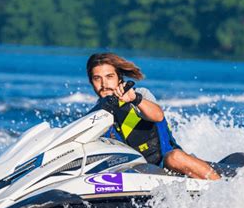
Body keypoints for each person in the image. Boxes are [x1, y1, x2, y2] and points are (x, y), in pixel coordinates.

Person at [86, 53, 220, 180]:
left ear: (119, 78)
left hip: (166, 164)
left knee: (174, 157)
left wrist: (135, 99)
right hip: (133, 173)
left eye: (109, 77)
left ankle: (223, 189)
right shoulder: (94, 115)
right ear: (91, 82)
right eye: (97, 78)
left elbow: (158, 116)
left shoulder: (140, 94)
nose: (104, 84)